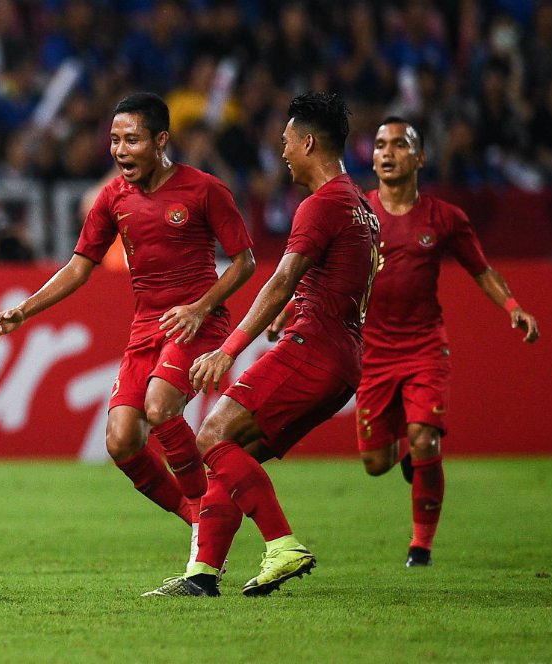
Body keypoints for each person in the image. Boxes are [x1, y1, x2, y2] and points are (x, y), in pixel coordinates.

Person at [0, 92, 255, 575]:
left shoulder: (205, 189)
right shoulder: (113, 197)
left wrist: (201, 306)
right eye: (114, 140)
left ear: (161, 140)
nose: (120, 150)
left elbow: (245, 263)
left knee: (158, 407)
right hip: (146, 326)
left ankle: (207, 516)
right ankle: (196, 514)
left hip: (198, 319)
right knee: (121, 440)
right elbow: (78, 266)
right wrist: (23, 311)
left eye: (131, 139)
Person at [144, 92, 380, 597]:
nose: (283, 152)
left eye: (287, 141)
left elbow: (281, 279)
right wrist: (295, 312)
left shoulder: (321, 205)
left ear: (309, 141)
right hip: (342, 359)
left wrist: (227, 350)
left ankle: (282, 543)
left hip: (312, 349)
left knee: (211, 435)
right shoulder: (361, 205)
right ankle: (203, 574)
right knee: (236, 449)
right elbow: (341, 282)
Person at [354, 117, 540, 567]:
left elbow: (481, 269)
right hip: (372, 353)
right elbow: (320, 272)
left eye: (399, 145)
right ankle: (408, 456)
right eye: (380, 145)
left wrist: (512, 305)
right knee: (376, 463)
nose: (388, 153)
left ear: (420, 158)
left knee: (426, 439)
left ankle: (421, 546)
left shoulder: (444, 218)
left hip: (423, 347)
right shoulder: (357, 213)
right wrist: (286, 313)